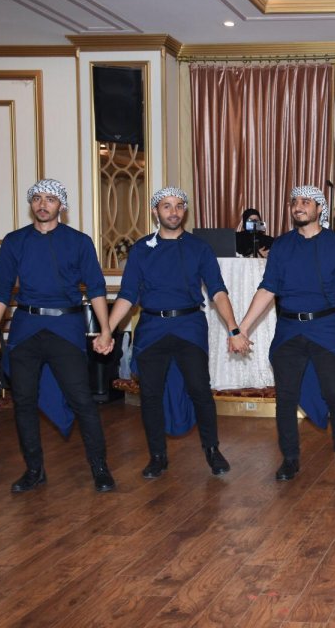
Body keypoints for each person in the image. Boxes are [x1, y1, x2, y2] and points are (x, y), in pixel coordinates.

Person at [97, 187, 245, 478]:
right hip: (151, 328)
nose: (173, 211)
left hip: (190, 326)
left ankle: (212, 451)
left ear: (184, 211)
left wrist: (234, 329)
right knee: (151, 395)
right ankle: (157, 456)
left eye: (178, 206)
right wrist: (106, 331)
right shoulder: (141, 249)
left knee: (200, 390)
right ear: (156, 211)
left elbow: (217, 291)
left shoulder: (199, 248)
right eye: (166, 206)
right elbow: (127, 295)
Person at [232, 186, 335, 480]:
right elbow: (267, 289)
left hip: (326, 328)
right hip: (288, 330)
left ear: (319, 208)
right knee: (285, 397)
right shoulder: (282, 246)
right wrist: (241, 328)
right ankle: (290, 458)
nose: (298, 206)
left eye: (306, 202)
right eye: (295, 202)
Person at [0, 178, 116, 493]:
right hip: (25, 328)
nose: (43, 205)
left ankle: (100, 469)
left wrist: (106, 329)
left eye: (50, 199)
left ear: (62, 206)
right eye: (37, 199)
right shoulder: (14, 241)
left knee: (82, 400)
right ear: (31, 204)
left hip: (65, 329)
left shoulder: (79, 242)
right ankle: (34, 471)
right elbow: (0, 290)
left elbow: (96, 288)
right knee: (23, 402)